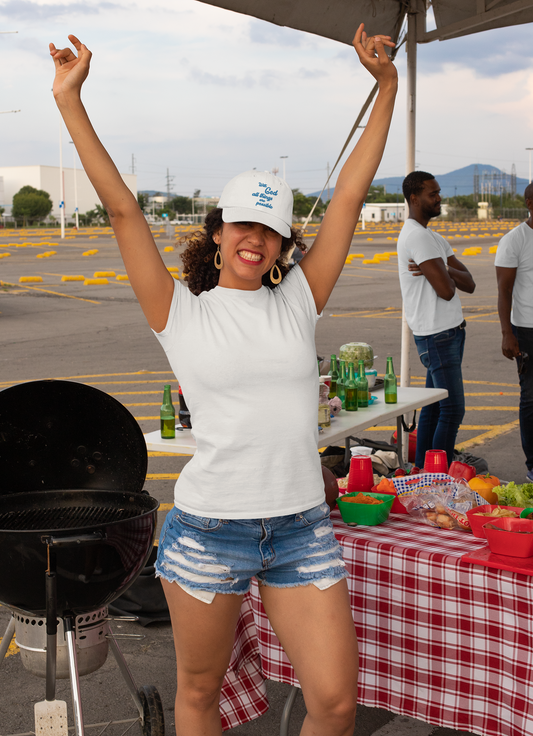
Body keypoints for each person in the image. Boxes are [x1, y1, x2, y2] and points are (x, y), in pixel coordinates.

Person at [50, 26, 397, 736]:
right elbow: (122, 211)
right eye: (242, 222)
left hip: (301, 528)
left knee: (333, 702)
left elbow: (350, 199)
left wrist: (385, 86)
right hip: (210, 532)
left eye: (269, 231)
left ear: (279, 248)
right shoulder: (179, 312)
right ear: (217, 231)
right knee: (201, 695)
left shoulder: (299, 298)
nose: (254, 237)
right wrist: (69, 100)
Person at [397, 171, 476, 468]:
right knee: (453, 409)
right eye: (433, 194)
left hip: (449, 333)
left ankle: (421, 472)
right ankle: (439, 475)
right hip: (437, 335)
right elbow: (446, 291)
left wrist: (442, 266)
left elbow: (469, 283)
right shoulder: (417, 236)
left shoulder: (433, 238)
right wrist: (445, 273)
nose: (439, 198)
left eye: (439, 191)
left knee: (432, 409)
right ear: (414, 199)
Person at [495, 183, 533, 482]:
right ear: (529, 203)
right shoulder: (514, 240)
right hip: (527, 330)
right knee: (531, 398)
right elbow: (504, 290)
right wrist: (507, 332)